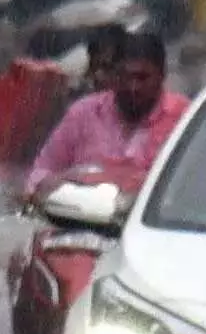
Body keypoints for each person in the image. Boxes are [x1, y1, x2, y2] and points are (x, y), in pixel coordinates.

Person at [26, 28, 186, 203]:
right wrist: (64, 182)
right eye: (125, 77)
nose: (133, 87)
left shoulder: (184, 119)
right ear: (115, 75)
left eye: (142, 78)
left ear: (161, 76)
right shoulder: (83, 113)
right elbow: (39, 174)